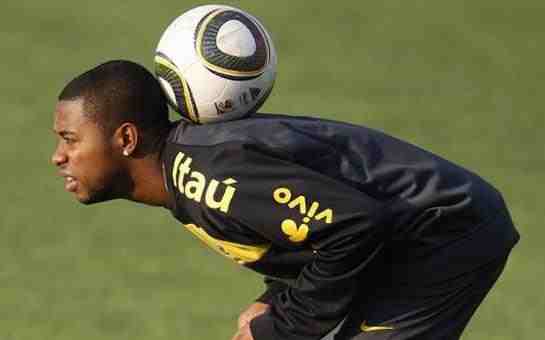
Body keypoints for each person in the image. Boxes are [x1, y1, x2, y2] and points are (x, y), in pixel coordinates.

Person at [52, 60, 519, 340]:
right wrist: (275, 299)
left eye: (70, 139)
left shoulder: (206, 177)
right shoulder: (191, 176)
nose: (59, 157)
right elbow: (318, 231)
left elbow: (355, 226)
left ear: (126, 138)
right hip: (412, 237)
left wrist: (282, 328)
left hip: (444, 232)